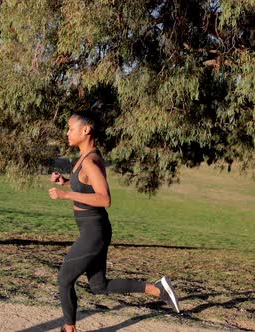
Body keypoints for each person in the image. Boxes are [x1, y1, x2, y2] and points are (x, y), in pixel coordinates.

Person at [48, 112, 180, 332]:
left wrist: (66, 195)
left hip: (94, 231)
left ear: (86, 130)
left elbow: (104, 199)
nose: (67, 133)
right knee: (98, 286)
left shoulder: (90, 161)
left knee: (64, 280)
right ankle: (158, 289)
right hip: (91, 229)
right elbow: (86, 187)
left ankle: (69, 330)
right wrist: (65, 182)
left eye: (71, 128)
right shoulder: (84, 157)